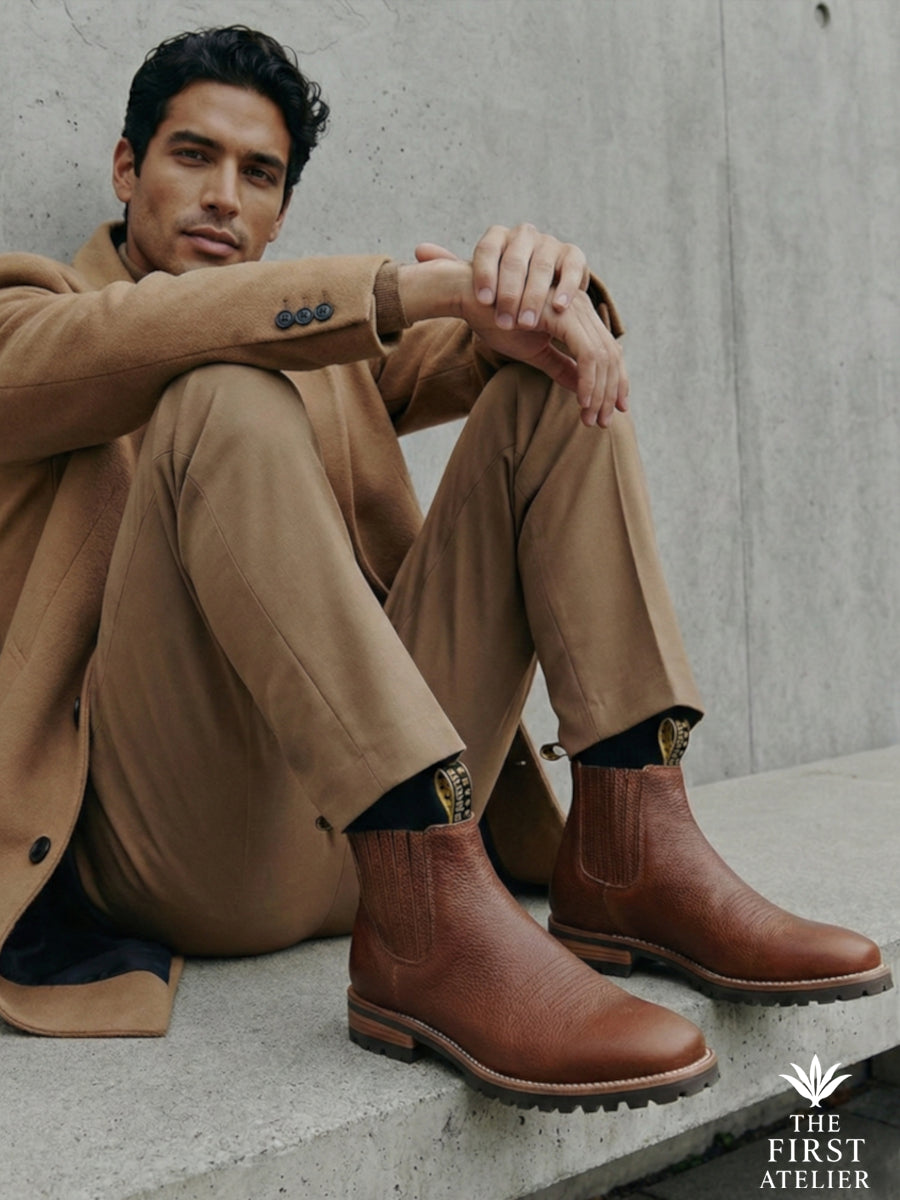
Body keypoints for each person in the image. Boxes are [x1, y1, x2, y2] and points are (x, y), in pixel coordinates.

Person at [0, 26, 890, 1113]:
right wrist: (406, 290)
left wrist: (543, 289)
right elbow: (141, 337)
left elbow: (494, 342)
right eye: (194, 156)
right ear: (125, 168)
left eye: (259, 174)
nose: (225, 196)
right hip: (188, 853)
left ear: (282, 212)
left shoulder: (323, 353)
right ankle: (426, 922)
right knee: (218, 388)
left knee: (550, 381)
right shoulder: (32, 320)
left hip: (394, 843)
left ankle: (629, 848)